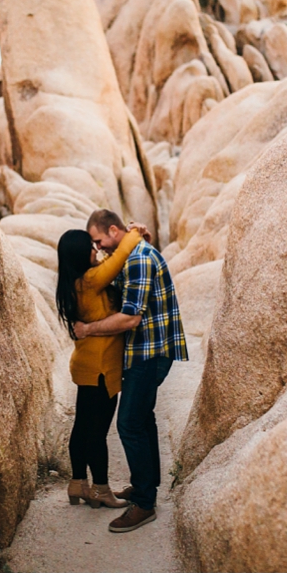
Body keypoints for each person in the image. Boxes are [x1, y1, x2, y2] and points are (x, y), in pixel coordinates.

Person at [73, 209, 188, 533]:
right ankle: (144, 489)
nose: (100, 248)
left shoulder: (138, 258)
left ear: (112, 230)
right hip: (146, 351)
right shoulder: (135, 253)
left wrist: (88, 329)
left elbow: (130, 317)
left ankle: (145, 506)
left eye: (99, 240)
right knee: (143, 419)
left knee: (128, 423)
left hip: (148, 353)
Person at [53, 224, 143, 510]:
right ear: (82, 254)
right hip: (101, 368)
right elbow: (118, 260)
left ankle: (78, 483)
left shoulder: (75, 281)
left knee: (82, 429)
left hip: (86, 365)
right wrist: (134, 233)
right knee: (96, 433)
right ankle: (101, 490)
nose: (97, 250)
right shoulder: (91, 281)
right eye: (91, 247)